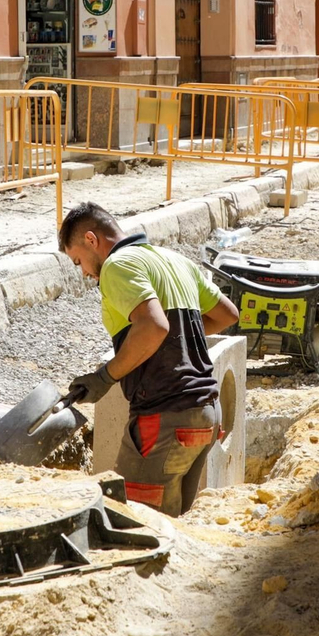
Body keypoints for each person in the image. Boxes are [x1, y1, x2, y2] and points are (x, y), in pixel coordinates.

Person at [60, 203, 240, 516]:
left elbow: (154, 326)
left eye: (79, 261)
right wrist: (174, 337)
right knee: (173, 528)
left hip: (165, 417)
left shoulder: (118, 265)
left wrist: (105, 377)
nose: (85, 273)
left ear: (91, 240)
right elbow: (227, 315)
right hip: (206, 415)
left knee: (136, 523)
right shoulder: (175, 261)